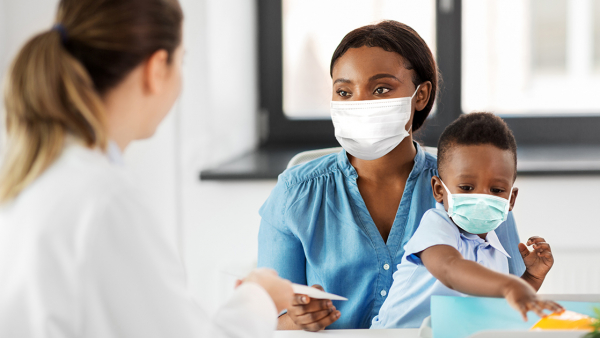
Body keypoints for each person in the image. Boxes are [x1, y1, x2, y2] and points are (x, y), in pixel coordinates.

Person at [0, 0, 293, 337]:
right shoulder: (105, 200)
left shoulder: (31, 177)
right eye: (181, 60)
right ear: (157, 69)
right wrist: (260, 297)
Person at [258, 20, 526, 330]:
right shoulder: (294, 193)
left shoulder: (474, 187)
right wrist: (298, 318)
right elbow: (267, 320)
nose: (360, 104)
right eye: (344, 92)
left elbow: (511, 306)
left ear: (421, 95)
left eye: (381, 89)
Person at [371, 112, 563, 329]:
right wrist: (509, 285)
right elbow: (450, 269)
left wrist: (531, 278)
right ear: (438, 190)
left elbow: (499, 305)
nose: (481, 198)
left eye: (497, 190)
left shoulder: (496, 251)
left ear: (511, 200)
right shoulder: (436, 225)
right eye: (466, 188)